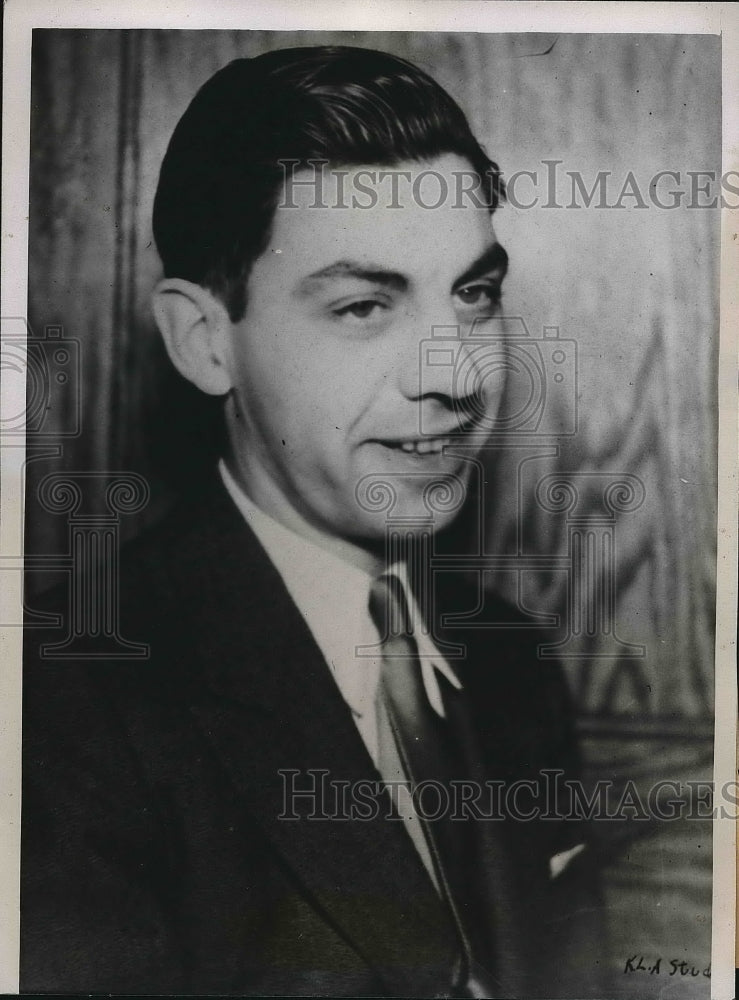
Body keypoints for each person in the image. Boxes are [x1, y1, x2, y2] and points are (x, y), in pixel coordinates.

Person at [21, 46, 605, 997]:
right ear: (205, 341)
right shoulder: (60, 707)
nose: (454, 377)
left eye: (474, 294)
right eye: (364, 306)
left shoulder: (510, 660)